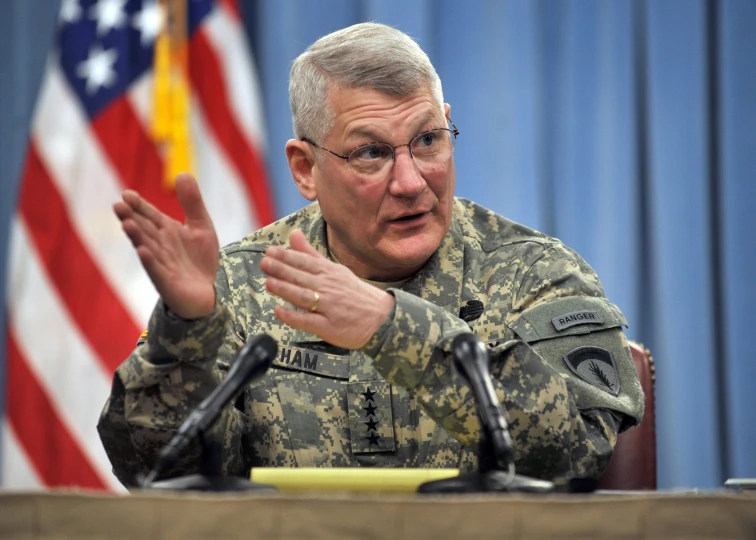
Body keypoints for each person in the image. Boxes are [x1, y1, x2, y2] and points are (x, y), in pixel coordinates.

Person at [98, 22, 644, 488]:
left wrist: (395, 329)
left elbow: (573, 455)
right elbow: (160, 473)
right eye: (371, 153)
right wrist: (187, 332)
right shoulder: (242, 283)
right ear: (305, 168)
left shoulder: (535, 273)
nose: (411, 182)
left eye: (428, 140)